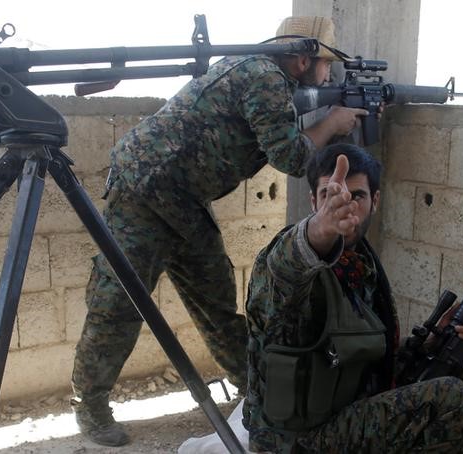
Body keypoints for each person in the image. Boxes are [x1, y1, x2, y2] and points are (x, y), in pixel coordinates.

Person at [70, 16, 369, 447]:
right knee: (118, 302)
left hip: (186, 201)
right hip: (145, 192)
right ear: (303, 59)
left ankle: (258, 391)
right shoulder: (264, 75)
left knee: (217, 303)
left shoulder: (256, 71)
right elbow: (289, 156)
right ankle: (90, 406)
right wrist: (334, 124)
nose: (329, 74)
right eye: (326, 65)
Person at [243, 143, 463, 453]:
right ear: (313, 202)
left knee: (457, 372)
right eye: (329, 195)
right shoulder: (290, 261)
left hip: (345, 410)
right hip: (296, 439)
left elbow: (365, 364)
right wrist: (319, 229)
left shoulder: (362, 266)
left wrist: (428, 345)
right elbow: (284, 267)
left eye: (357, 196)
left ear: (375, 201)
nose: (344, 206)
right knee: (448, 398)